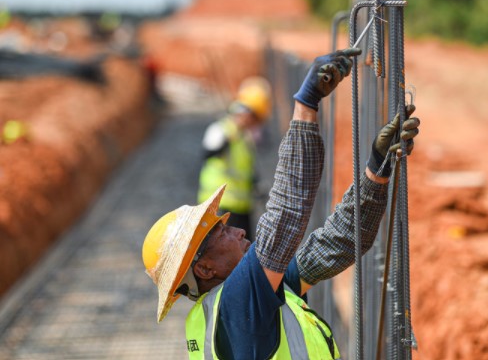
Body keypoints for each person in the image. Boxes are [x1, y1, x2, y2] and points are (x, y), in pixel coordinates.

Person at [142, 48, 420, 359]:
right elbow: (286, 215)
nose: (238, 232)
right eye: (222, 233)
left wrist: (376, 169)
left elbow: (339, 243)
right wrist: (305, 105)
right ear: (205, 269)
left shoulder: (250, 300)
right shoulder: (236, 305)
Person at [197, 77, 272, 242]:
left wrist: (255, 185)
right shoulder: (221, 129)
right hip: (219, 205)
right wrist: (228, 138)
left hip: (242, 206)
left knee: (244, 249)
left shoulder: (246, 137)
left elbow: (246, 168)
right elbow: (208, 153)